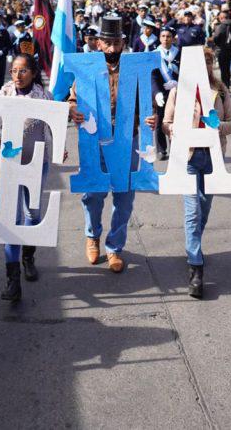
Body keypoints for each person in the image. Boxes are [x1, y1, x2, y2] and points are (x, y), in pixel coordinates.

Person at [68, 15, 158, 273]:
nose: (112, 48)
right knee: (94, 194)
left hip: (128, 140)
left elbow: (147, 105)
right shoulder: (88, 68)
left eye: (116, 43)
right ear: (98, 44)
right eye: (107, 43)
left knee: (125, 197)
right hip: (96, 140)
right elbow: (72, 99)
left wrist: (151, 118)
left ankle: (114, 247)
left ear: (122, 44)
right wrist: (72, 109)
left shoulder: (134, 70)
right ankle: (92, 235)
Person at [162, 47, 231, 298]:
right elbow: (166, 122)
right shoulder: (178, 91)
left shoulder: (221, 90)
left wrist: (218, 127)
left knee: (203, 210)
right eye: (198, 61)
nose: (203, 65)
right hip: (189, 157)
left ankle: (193, 245)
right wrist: (173, 131)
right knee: (192, 210)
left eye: (207, 61)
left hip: (213, 157)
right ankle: (196, 267)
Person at [0, 54, 55, 302]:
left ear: (33, 73)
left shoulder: (43, 96)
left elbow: (54, 127)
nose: (18, 75)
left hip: (37, 164)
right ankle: (12, 279)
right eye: (14, 70)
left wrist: (58, 149)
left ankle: (28, 257)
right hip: (9, 164)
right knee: (9, 219)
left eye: (23, 70)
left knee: (31, 214)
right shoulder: (1, 95)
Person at [152, 27, 180, 160]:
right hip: (161, 93)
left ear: (173, 38)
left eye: (168, 36)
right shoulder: (154, 54)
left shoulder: (179, 53)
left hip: (177, 91)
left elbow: (186, 72)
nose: (165, 39)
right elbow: (153, 76)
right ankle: (161, 150)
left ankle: (176, 147)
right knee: (160, 121)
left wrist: (178, 83)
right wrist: (157, 92)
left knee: (176, 121)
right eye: (162, 36)